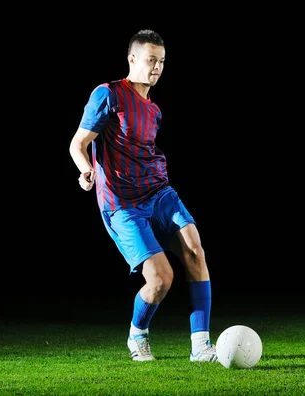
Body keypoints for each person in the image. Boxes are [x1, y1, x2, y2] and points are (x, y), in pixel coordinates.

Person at [69, 29, 217, 363]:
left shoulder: (153, 110)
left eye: (162, 61)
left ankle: (201, 346)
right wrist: (84, 169)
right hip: (122, 203)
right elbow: (78, 144)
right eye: (151, 60)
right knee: (161, 278)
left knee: (195, 250)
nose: (157, 67)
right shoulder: (108, 95)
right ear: (132, 59)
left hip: (159, 191)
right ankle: (138, 333)